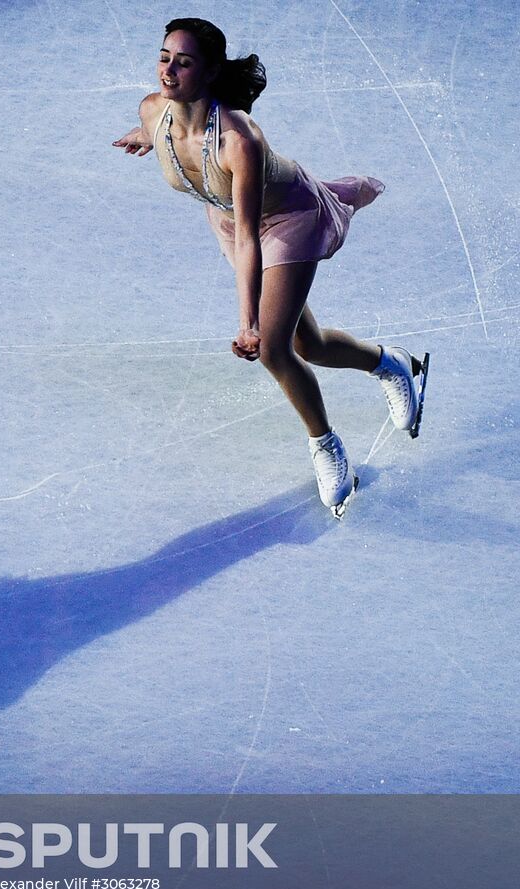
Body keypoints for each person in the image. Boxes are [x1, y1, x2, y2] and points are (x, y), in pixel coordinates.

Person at [113, 17, 428, 517]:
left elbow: (251, 241)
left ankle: (326, 446)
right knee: (311, 345)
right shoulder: (153, 111)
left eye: (184, 63)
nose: (168, 70)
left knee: (273, 349)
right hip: (230, 219)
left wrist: (249, 324)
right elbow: (166, 129)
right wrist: (148, 136)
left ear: (210, 72)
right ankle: (395, 364)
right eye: (164, 57)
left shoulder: (239, 141)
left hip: (286, 220)